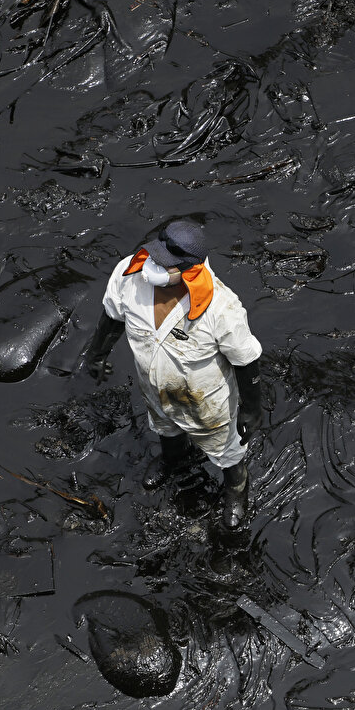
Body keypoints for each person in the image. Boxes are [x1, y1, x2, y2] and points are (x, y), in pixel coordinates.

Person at [83, 219, 264, 533]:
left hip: (207, 402)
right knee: (165, 429)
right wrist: (96, 355)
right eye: (154, 255)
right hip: (154, 389)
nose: (152, 265)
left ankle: (236, 490)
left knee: (227, 450)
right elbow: (111, 316)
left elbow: (246, 361)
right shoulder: (128, 276)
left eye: (165, 264)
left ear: (190, 270)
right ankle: (172, 463)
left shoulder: (221, 309)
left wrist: (251, 408)